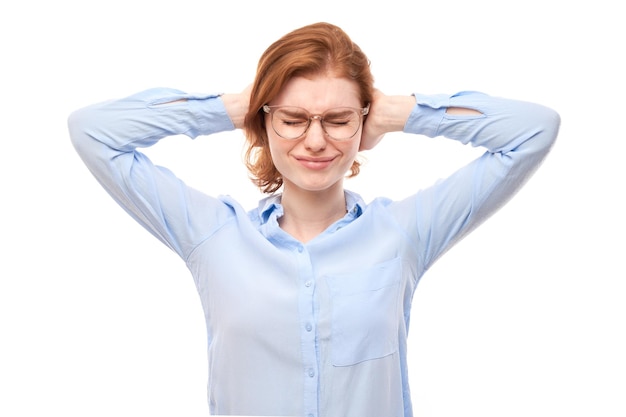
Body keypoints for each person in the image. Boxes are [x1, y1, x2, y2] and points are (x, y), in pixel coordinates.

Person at [68, 21, 560, 417]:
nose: (316, 140)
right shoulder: (213, 235)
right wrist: (236, 107)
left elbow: (534, 131)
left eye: (339, 120)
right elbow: (94, 132)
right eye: (293, 118)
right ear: (265, 121)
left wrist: (396, 112)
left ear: (362, 123)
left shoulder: (403, 234)